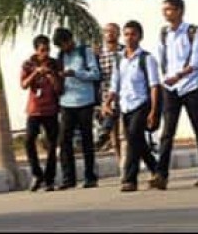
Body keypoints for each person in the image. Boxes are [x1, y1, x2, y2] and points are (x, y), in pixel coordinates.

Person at [155, 0, 198, 189]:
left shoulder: (193, 31)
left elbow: (196, 61)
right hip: (171, 88)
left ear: (179, 11)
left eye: (169, 9)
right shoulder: (164, 33)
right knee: (167, 133)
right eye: (164, 10)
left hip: (192, 86)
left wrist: (179, 75)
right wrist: (167, 78)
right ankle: (161, 175)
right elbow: (162, 59)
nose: (165, 13)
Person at [103, 21, 161, 192]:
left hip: (141, 104)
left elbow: (154, 86)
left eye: (133, 34)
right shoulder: (119, 59)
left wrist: (153, 111)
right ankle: (157, 169)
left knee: (133, 139)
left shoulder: (147, 59)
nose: (129, 38)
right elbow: (115, 85)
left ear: (140, 36)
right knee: (138, 141)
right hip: (125, 106)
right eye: (126, 34)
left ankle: (130, 179)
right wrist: (107, 102)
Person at [53, 27, 101, 190]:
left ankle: (90, 177)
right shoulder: (61, 56)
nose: (63, 48)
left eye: (64, 44)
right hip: (66, 102)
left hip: (85, 101)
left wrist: (76, 73)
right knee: (64, 140)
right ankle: (68, 178)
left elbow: (96, 74)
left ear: (70, 40)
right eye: (60, 46)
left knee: (87, 139)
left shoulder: (85, 52)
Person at [20, 35, 63, 192]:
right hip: (34, 109)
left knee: (52, 144)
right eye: (42, 50)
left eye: (47, 50)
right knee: (29, 140)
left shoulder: (55, 64)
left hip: (51, 109)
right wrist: (35, 73)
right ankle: (37, 173)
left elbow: (59, 89)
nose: (45, 53)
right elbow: (23, 84)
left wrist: (51, 76)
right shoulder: (28, 64)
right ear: (36, 51)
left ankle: (49, 179)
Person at [94, 23, 124, 165]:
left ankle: (129, 161)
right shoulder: (99, 53)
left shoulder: (124, 51)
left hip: (125, 95)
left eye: (113, 31)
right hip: (107, 97)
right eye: (107, 31)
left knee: (126, 133)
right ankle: (121, 163)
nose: (110, 34)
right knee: (114, 134)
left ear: (118, 33)